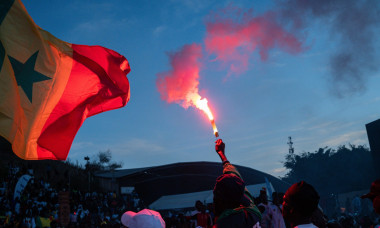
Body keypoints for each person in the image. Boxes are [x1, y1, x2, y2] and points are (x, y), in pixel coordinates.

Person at [212, 139, 261, 227]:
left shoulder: (224, 224)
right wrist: (223, 156)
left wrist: (221, 154)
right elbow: (234, 177)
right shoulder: (253, 211)